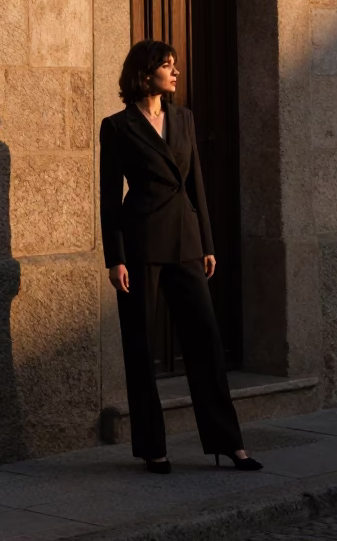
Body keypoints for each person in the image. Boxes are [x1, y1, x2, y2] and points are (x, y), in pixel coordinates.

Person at [100, 38, 262, 475]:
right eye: (167, 65)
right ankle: (153, 448)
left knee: (206, 342)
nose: (175, 72)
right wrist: (115, 258)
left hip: (186, 242)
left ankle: (229, 443)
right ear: (145, 72)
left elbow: (196, 185)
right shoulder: (117, 127)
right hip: (140, 245)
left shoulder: (184, 118)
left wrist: (206, 242)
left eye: (174, 64)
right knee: (140, 347)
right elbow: (109, 197)